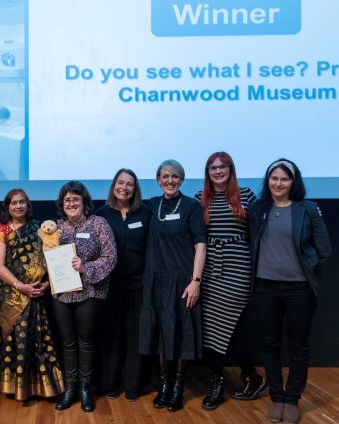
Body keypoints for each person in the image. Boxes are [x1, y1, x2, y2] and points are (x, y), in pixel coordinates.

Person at [249, 159, 331, 424]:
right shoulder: (258, 208)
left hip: (299, 289)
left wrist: (304, 269)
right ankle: (277, 396)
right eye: (274, 178)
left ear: (294, 182)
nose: (278, 183)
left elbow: (324, 248)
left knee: (298, 346)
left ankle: (292, 398)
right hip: (265, 288)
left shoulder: (307, 209)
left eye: (285, 179)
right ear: (268, 180)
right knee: (270, 345)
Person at [195, 152, 263, 410]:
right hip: (210, 269)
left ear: (231, 169)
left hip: (238, 268)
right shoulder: (200, 199)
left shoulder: (245, 195)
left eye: (223, 167)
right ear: (207, 171)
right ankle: (221, 382)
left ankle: (249, 376)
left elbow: (262, 226)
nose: (218, 171)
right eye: (213, 167)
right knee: (211, 329)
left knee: (233, 327)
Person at [139, 159, 207, 412]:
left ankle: (178, 387)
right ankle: (165, 386)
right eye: (165, 176)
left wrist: (195, 281)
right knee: (160, 334)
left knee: (180, 334)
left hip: (182, 281)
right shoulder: (150, 206)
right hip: (155, 279)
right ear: (158, 180)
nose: (170, 181)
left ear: (181, 180)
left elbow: (201, 244)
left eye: (175, 177)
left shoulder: (191, 206)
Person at [0, 188, 64, 402]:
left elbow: (51, 258)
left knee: (39, 338)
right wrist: (20, 286)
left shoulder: (39, 228)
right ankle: (17, 388)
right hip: (13, 295)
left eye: (22, 202)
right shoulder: (2, 230)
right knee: (19, 337)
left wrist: (46, 284)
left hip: (38, 293)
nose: (18, 206)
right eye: (14, 203)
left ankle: (43, 388)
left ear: (27, 205)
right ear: (8, 207)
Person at [52, 181, 117, 412]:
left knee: (86, 342)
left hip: (90, 291)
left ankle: (85, 390)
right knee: (67, 343)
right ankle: (70, 390)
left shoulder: (99, 224)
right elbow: (46, 259)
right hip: (62, 294)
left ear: (84, 202)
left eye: (75, 199)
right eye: (67, 200)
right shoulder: (56, 228)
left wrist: (85, 267)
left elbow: (110, 257)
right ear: (62, 204)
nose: (71, 203)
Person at [94, 169, 152, 401]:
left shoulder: (146, 214)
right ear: (113, 185)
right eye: (120, 182)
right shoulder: (101, 215)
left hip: (139, 285)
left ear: (135, 188)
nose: (124, 188)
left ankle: (133, 386)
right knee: (111, 336)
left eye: (129, 184)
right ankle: (109, 384)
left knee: (135, 337)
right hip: (109, 287)